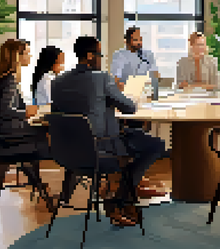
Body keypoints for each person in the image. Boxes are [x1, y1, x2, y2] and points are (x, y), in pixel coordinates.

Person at [51, 36, 166, 227]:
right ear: (89, 56)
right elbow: (129, 108)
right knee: (155, 145)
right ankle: (120, 199)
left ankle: (121, 197)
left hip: (67, 153)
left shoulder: (58, 82)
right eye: (99, 54)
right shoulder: (101, 78)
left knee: (135, 139)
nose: (101, 58)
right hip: (101, 149)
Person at [0, 39, 56, 209]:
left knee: (41, 131)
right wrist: (26, 112)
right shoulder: (10, 80)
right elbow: (6, 111)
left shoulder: (3, 78)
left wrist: (26, 110)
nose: (30, 55)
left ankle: (38, 185)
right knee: (44, 134)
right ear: (16, 56)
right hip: (8, 131)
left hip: (3, 129)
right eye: (26, 52)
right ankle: (40, 185)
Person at [110, 27, 159, 91]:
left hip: (144, 90)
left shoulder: (148, 54)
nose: (139, 42)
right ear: (127, 41)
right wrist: (118, 85)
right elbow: (116, 75)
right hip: (125, 90)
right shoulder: (119, 55)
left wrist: (155, 83)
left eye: (140, 39)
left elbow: (154, 72)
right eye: (135, 40)